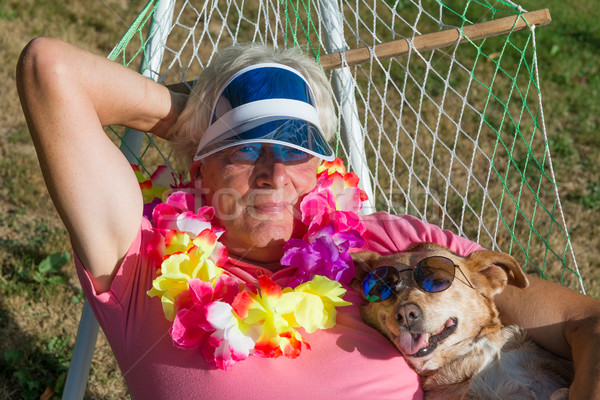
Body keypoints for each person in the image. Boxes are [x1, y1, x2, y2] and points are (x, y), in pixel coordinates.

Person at [16, 37, 600, 400]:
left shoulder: (398, 246)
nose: (272, 173)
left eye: (294, 147)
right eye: (243, 148)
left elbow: (587, 321)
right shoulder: (139, 260)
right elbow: (51, 70)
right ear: (199, 168)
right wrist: (200, 114)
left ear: (321, 166)